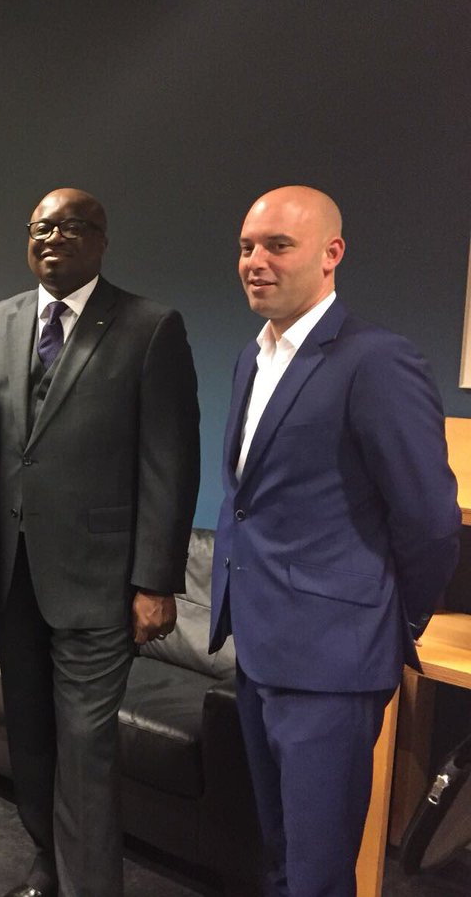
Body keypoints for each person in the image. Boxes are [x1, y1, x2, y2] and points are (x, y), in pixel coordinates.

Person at [210, 185, 461, 897]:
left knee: (319, 874)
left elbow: (430, 520)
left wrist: (390, 618)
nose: (255, 261)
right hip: (259, 649)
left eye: (277, 246)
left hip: (333, 664)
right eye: (246, 246)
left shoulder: (376, 361)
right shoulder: (251, 359)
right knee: (281, 857)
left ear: (331, 255)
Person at [0, 188, 200, 897]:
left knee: (88, 746)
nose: (53, 238)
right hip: (15, 578)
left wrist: (156, 581)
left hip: (101, 584)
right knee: (30, 741)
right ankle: (49, 862)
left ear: (101, 240)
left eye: (71, 226)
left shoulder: (149, 327)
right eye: (41, 227)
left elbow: (170, 461)